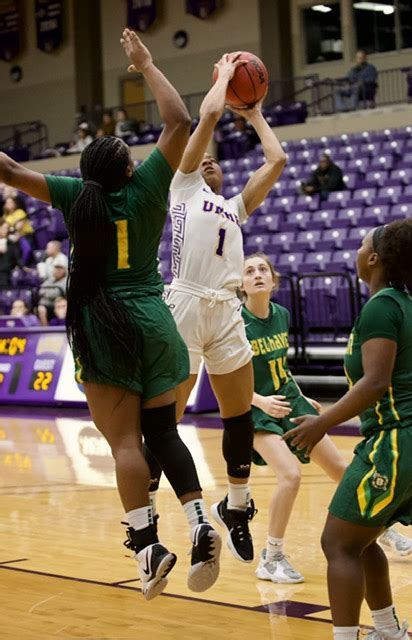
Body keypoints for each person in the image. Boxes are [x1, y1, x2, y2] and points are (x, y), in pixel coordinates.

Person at [0, 28, 221, 601]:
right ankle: (199, 520)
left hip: (104, 325)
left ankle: (147, 548)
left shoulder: (77, 196)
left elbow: (9, 172)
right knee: (164, 431)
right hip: (154, 317)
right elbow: (178, 121)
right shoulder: (149, 187)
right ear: (127, 169)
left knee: (126, 443)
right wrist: (145, 65)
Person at [146, 53, 287, 565]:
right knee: (169, 421)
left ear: (225, 173)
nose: (207, 161)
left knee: (238, 418)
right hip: (183, 301)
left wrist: (253, 116)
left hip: (225, 311)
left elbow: (276, 162)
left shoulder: (236, 206)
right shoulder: (181, 186)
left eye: (213, 161)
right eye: (201, 158)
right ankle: (148, 516)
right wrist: (225, 81)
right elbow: (203, 119)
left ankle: (238, 505)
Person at [284, 218, 412, 640]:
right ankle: (387, 630)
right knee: (359, 540)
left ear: (374, 258)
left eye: (363, 242)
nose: (358, 247)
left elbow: (376, 382)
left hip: (397, 439)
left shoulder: (382, 305)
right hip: (410, 437)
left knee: (338, 543)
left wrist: (320, 423)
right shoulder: (403, 301)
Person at [241, 252, 412, 586]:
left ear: (274, 281)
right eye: (249, 271)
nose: (258, 274)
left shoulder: (280, 314)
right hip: (256, 409)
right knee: (290, 476)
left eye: (263, 269)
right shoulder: (237, 323)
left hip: (289, 401)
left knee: (341, 468)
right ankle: (272, 556)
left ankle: (381, 527)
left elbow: (280, 366)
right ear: (241, 285)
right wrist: (260, 400)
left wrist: (298, 393)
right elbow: (227, 376)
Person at [0, 221, 20, 288]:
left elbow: (16, 256)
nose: (7, 230)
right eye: (5, 228)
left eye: (8, 228)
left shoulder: (11, 242)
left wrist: (20, 265)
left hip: (4, 272)